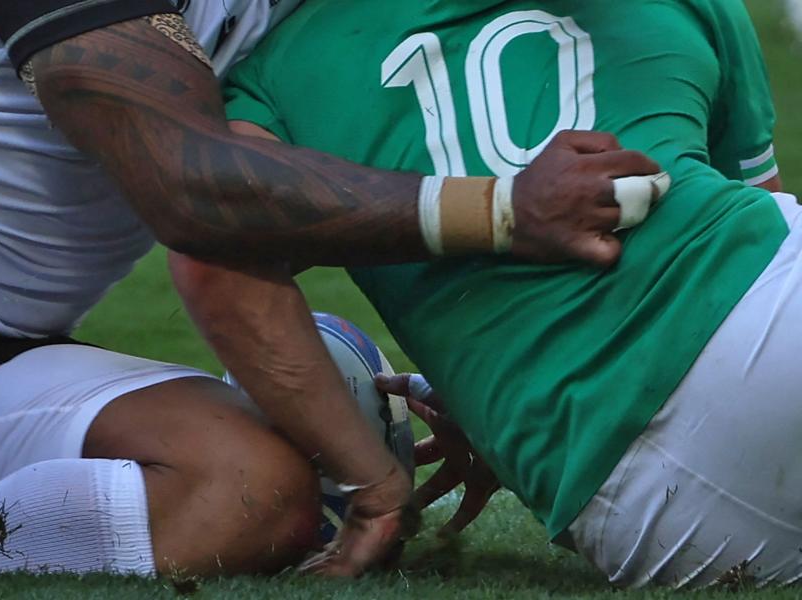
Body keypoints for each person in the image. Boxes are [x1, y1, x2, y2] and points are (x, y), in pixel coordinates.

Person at [0, 0, 663, 577]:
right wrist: (502, 211)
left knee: (250, 496)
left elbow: (379, 135)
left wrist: (489, 386)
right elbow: (188, 188)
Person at [212, 0, 802, 586]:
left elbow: (217, 267)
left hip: (638, 501)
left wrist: (375, 479)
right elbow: (760, 202)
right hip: (773, 312)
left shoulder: (274, 70)